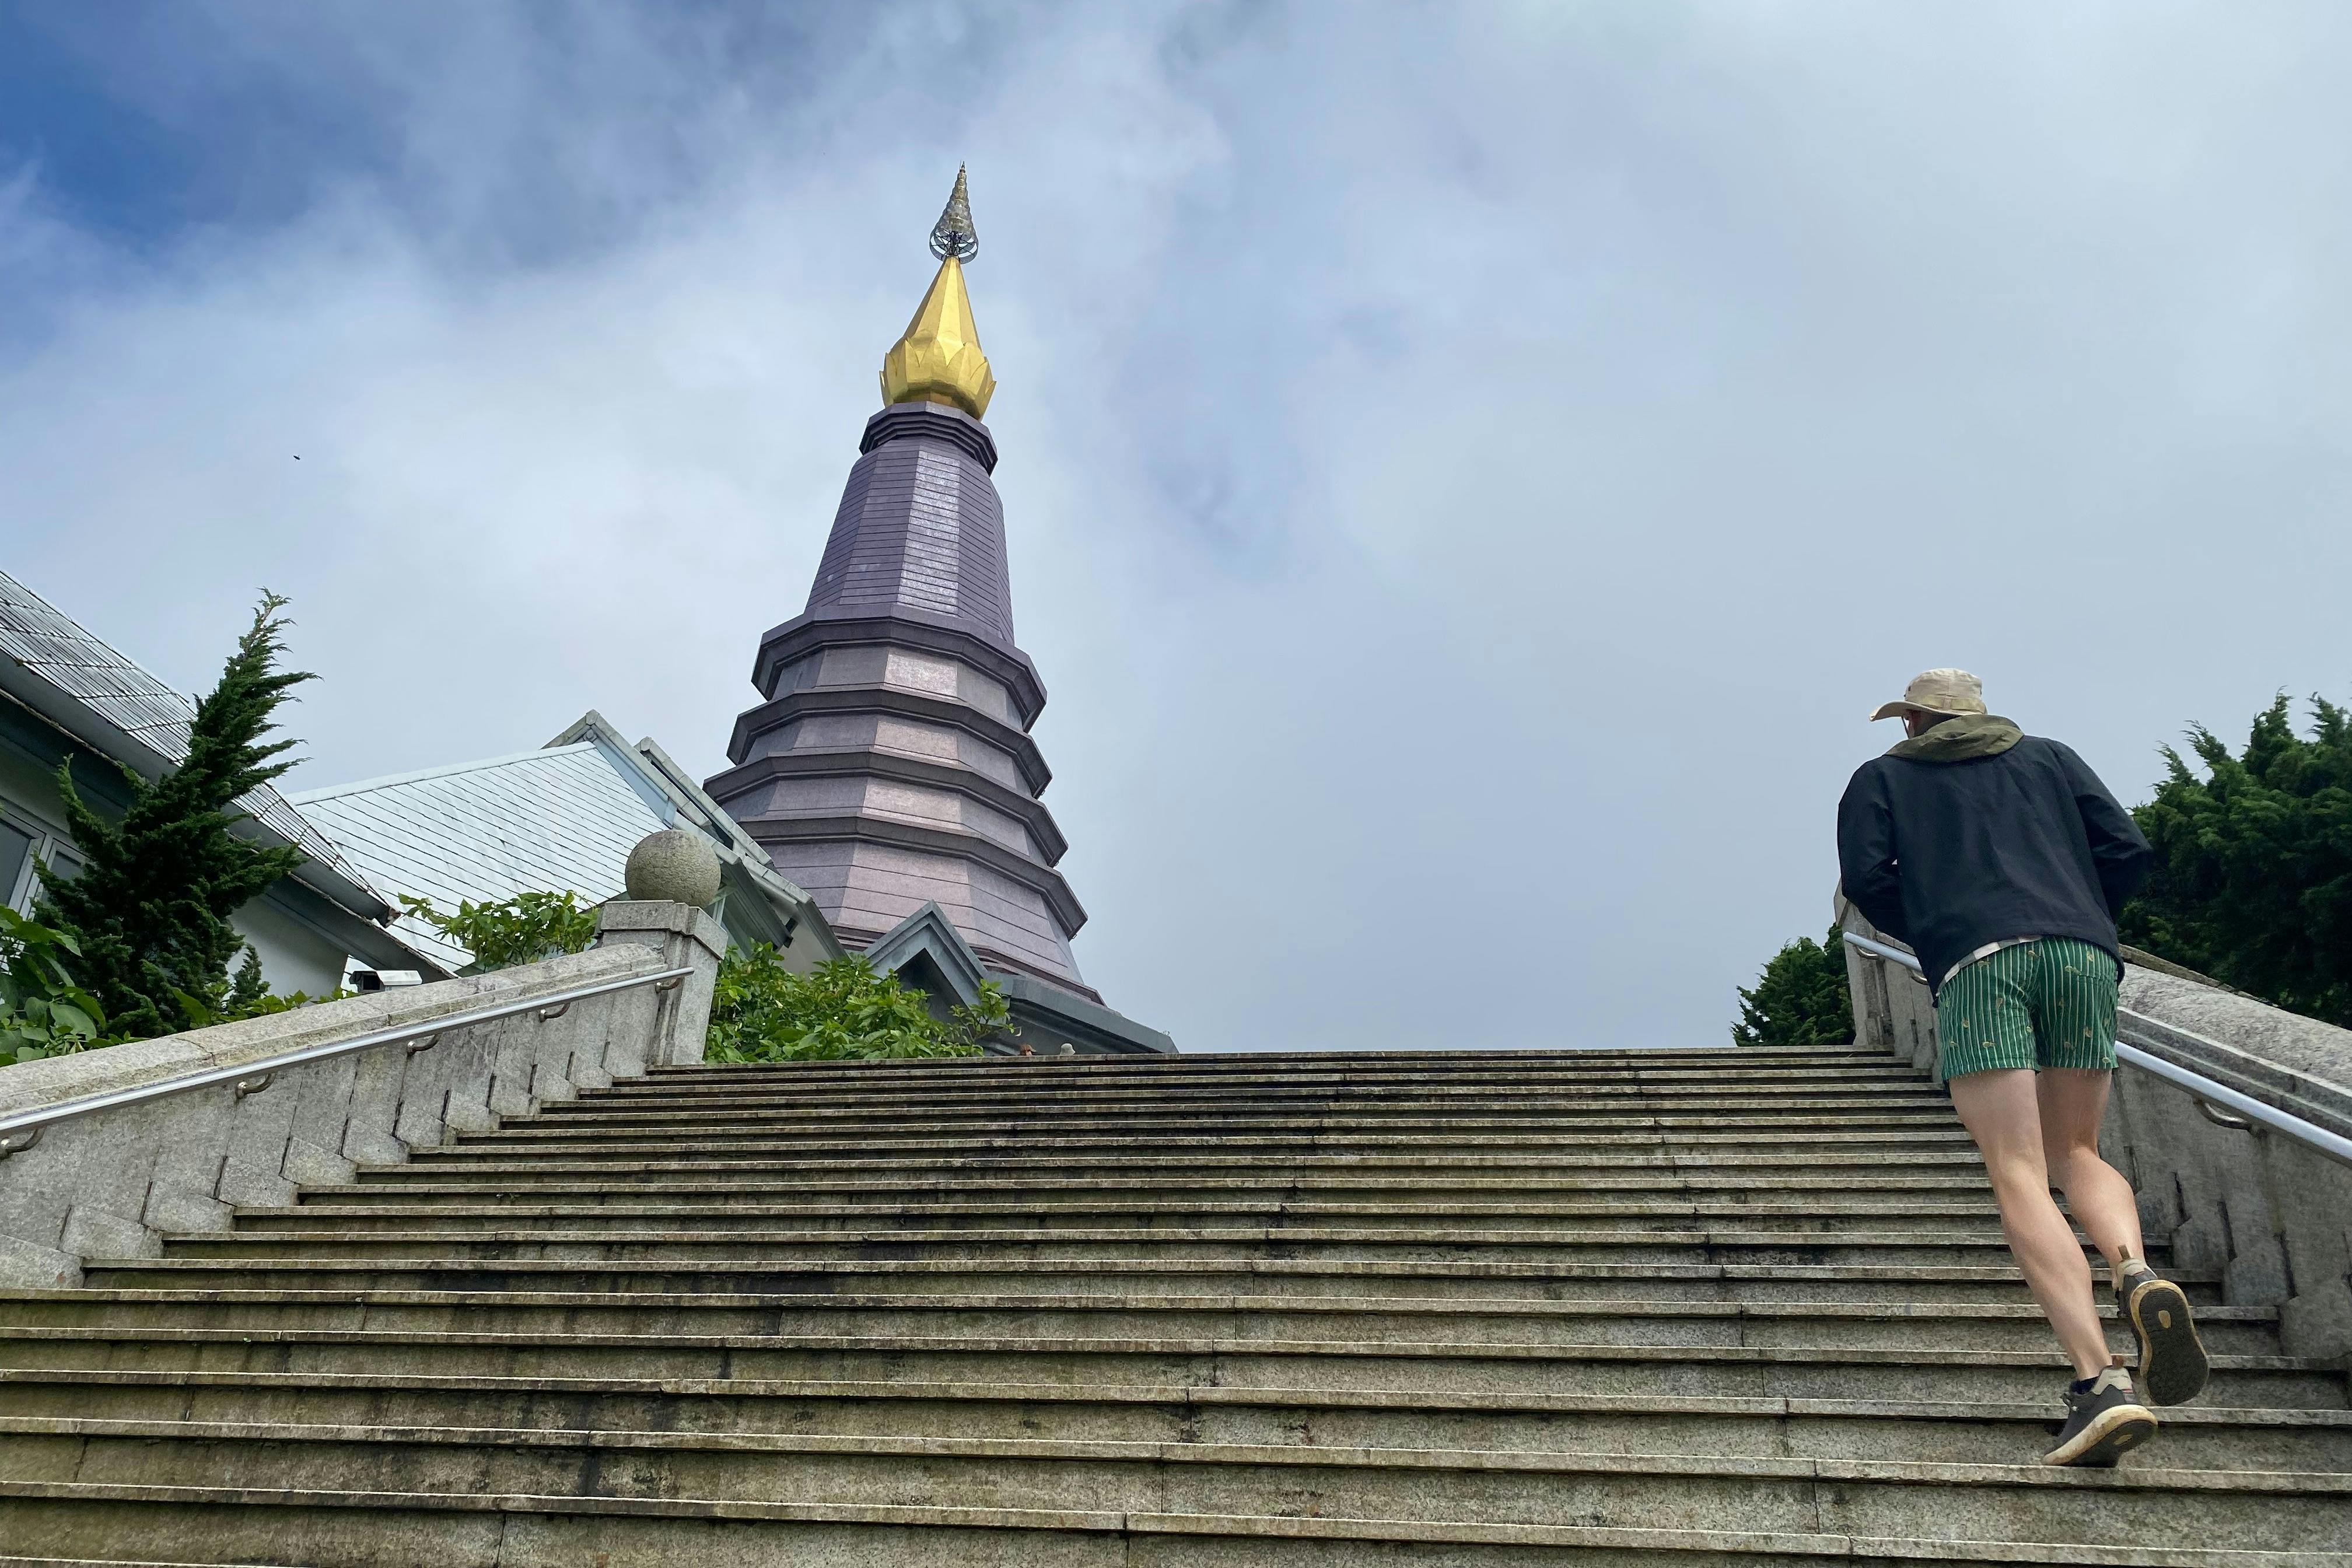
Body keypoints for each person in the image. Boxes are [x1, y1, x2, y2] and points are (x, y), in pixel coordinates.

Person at [1836, 668, 2208, 1467]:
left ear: (1914, 722)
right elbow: (2128, 848)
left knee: (2018, 1169)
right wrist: (2082, 913)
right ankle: (2134, 1270)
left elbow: (1867, 881)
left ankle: (2101, 1382)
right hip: (2082, 954)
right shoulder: (2051, 757)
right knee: (2078, 1150)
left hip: (1980, 961)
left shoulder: (1883, 779)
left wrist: (1939, 929)